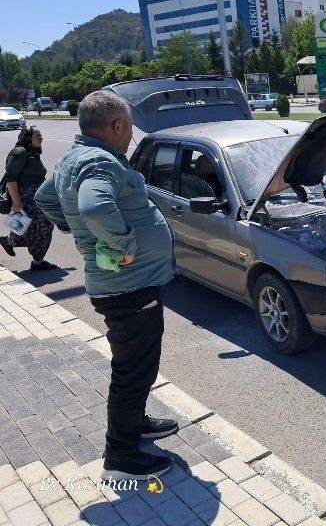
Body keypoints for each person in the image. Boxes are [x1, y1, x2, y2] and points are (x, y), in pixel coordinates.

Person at [35, 90, 178, 479]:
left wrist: (72, 230)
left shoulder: (73, 159)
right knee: (132, 371)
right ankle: (121, 455)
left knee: (140, 366)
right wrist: (123, 244)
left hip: (127, 287)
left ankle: (136, 424)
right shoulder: (99, 162)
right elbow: (95, 207)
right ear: (117, 126)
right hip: (129, 289)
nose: (130, 135)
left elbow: (44, 197)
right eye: (130, 127)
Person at [0, 126, 57, 270]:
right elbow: (11, 179)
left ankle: (10, 242)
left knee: (33, 227)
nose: (41, 137)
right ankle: (37, 260)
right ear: (28, 138)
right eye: (37, 135)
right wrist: (17, 201)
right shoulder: (19, 152)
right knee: (42, 226)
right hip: (26, 198)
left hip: (36, 198)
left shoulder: (33, 153)